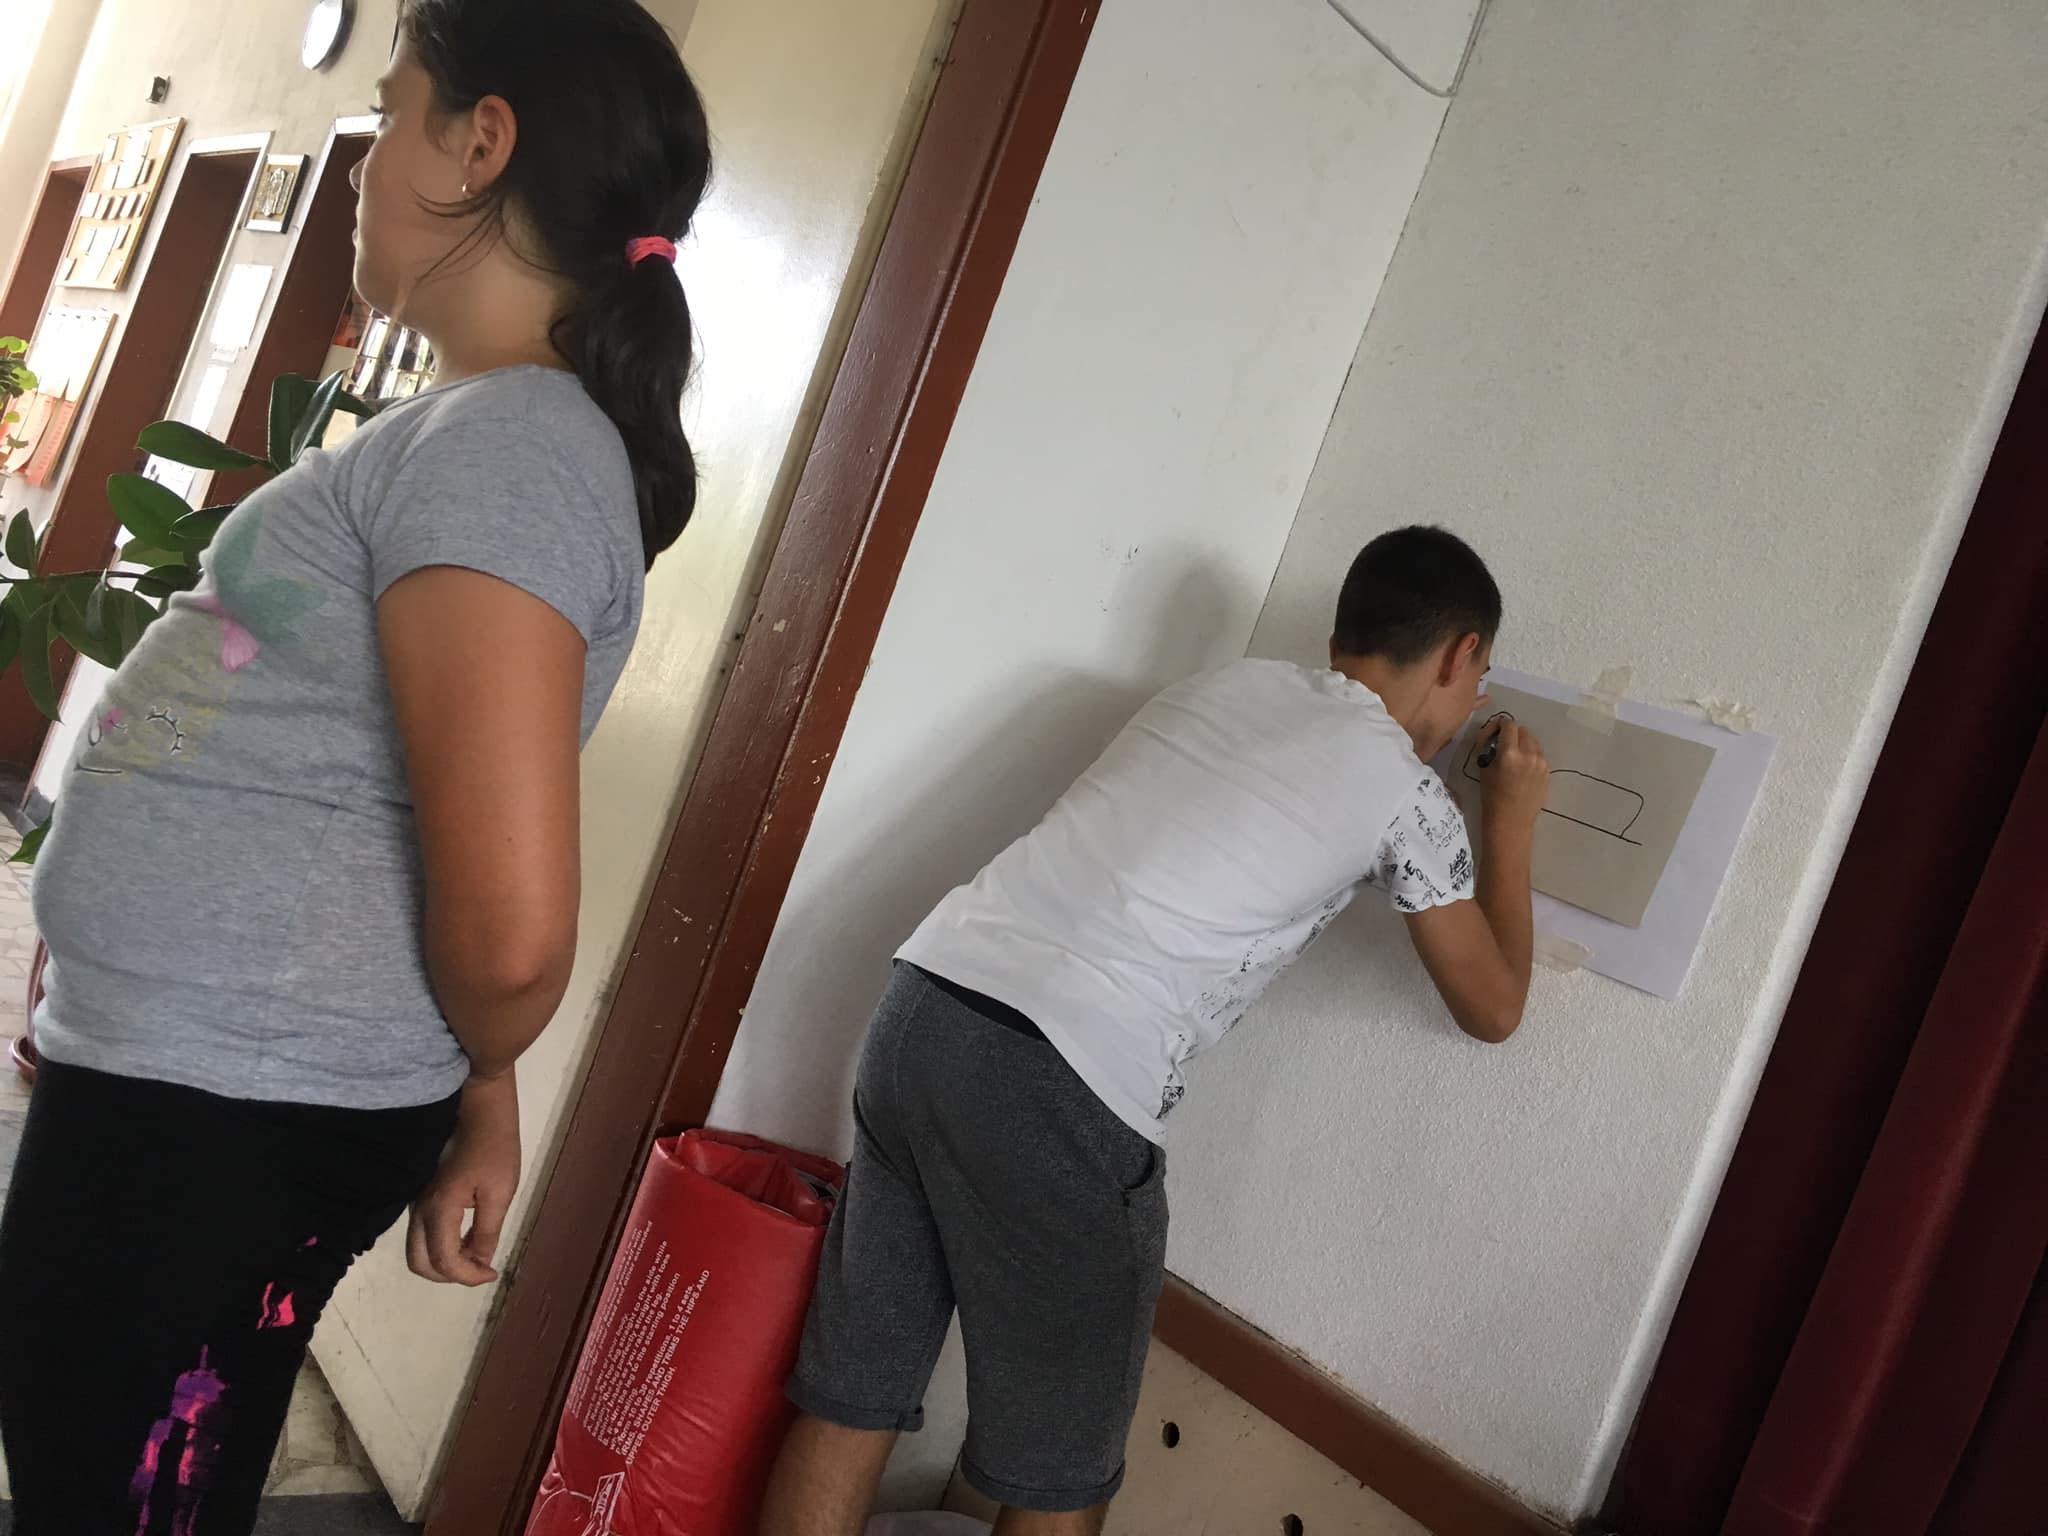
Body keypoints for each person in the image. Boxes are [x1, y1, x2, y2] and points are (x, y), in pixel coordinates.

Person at [0, 2, 710, 1530]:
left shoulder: (512, 454)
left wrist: (481, 1052)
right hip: (202, 1086)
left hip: (226, 1116)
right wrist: (483, 1086)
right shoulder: (484, 434)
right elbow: (410, 798)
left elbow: (509, 935)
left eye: (390, 114)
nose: (365, 163)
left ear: (481, 142)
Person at [760, 526, 1551, 1536]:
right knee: (1060, 1476)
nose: (1472, 702)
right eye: (1477, 677)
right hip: (1065, 1083)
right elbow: (1494, 1008)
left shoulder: (1216, 688)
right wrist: (1511, 822)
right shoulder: (1405, 793)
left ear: (1343, 634)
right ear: (1458, 654)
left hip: (926, 1007)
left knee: (856, 1389)